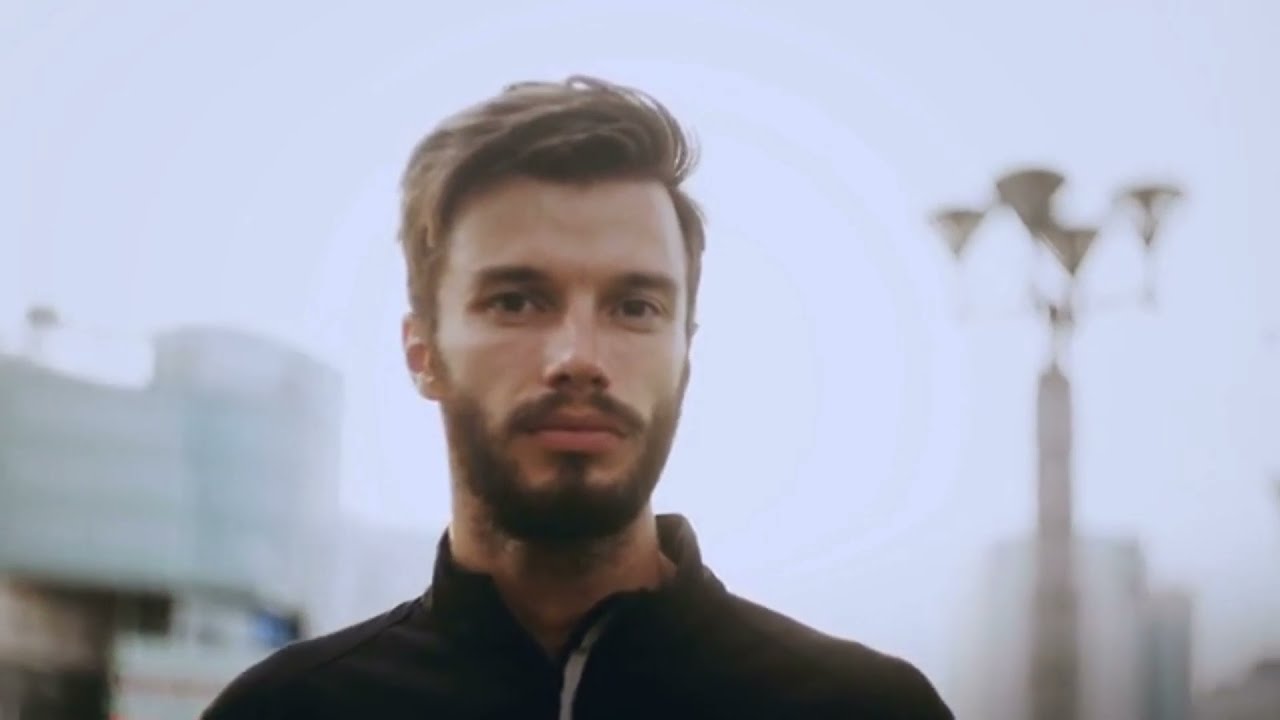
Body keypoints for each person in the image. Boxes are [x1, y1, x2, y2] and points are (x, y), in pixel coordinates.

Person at [202, 76, 953, 720]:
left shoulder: (862, 709)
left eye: (635, 308)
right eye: (517, 301)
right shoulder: (285, 711)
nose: (579, 360)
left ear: (685, 355)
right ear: (422, 352)